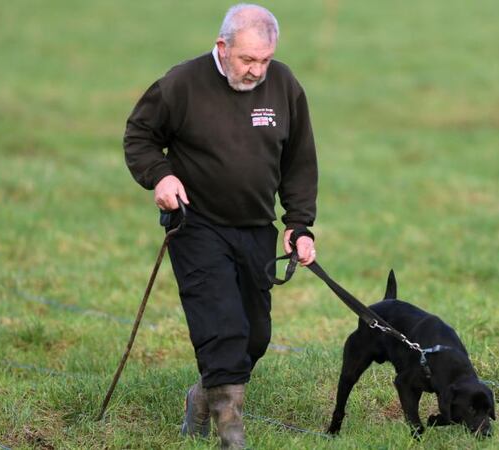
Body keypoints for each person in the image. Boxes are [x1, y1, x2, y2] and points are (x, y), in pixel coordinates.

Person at [123, 4, 318, 448]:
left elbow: (299, 161)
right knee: (223, 326)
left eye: (264, 60)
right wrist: (161, 175)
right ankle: (232, 432)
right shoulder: (182, 84)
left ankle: (202, 395)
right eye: (247, 60)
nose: (256, 71)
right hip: (197, 224)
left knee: (255, 334)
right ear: (222, 47)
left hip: (255, 226)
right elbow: (139, 136)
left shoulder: (284, 85)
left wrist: (299, 225)